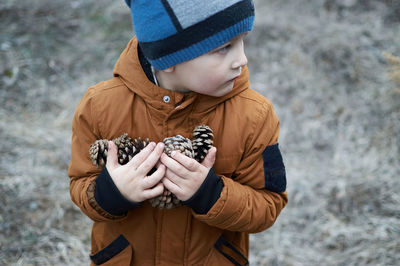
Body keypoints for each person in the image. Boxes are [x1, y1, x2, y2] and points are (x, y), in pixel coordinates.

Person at [68, 0, 288, 265]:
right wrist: (112, 193)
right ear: (168, 58)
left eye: (242, 42)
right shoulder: (100, 106)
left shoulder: (254, 116)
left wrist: (210, 194)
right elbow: (80, 184)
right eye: (223, 48)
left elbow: (268, 204)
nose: (242, 59)